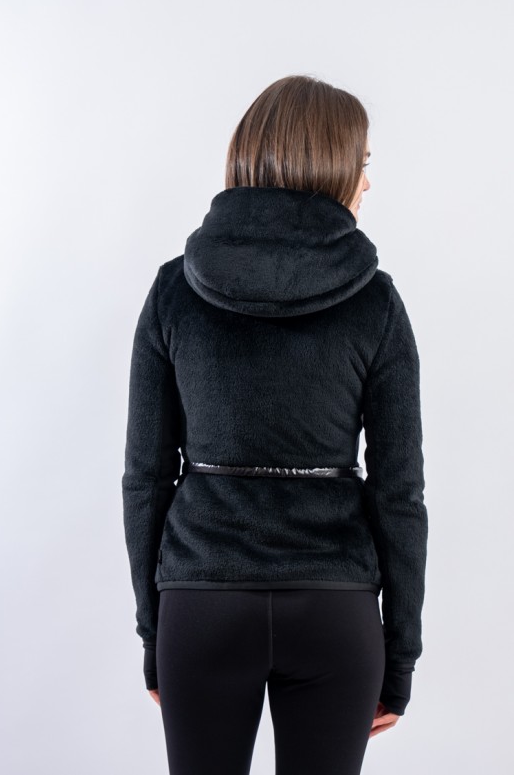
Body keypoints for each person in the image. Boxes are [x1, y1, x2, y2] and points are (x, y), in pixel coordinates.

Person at [122, 74, 428, 775]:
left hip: (201, 603)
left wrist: (154, 630)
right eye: (362, 163)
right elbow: (399, 493)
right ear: (329, 165)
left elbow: (145, 479)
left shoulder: (174, 290)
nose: (367, 182)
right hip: (335, 609)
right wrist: (400, 655)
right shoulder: (376, 303)